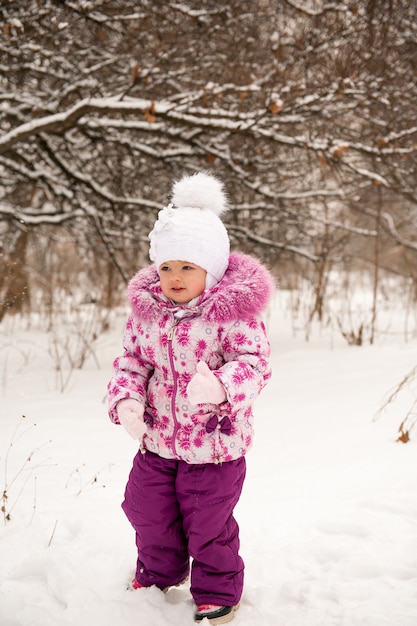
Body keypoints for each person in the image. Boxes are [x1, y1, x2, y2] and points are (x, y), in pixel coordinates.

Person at [107, 171, 274, 624]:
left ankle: (218, 590)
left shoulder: (233, 316)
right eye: (166, 267)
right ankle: (159, 572)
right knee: (146, 510)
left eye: (187, 266)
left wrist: (221, 385)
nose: (175, 277)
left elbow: (256, 364)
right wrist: (126, 402)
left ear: (212, 269)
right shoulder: (148, 314)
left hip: (215, 448)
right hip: (157, 441)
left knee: (208, 526)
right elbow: (131, 362)